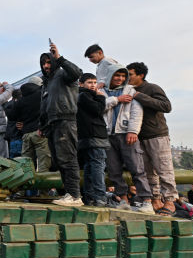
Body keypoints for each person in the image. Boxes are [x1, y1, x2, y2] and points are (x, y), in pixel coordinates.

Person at [100, 62, 153, 213]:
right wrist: (117, 100)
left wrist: (133, 131)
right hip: (108, 135)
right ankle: (123, 200)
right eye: (117, 75)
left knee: (137, 168)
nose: (120, 78)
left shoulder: (131, 90)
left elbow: (137, 113)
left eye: (123, 76)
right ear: (110, 76)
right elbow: (99, 107)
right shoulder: (101, 92)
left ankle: (147, 200)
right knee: (113, 169)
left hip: (126, 134)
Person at [126, 62, 176, 215]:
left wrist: (139, 96)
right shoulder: (127, 90)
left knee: (164, 169)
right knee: (148, 171)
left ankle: (170, 200)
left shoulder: (152, 88)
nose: (128, 77)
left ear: (140, 75)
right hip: (139, 137)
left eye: (131, 74)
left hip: (157, 135)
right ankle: (155, 199)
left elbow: (166, 106)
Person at [38, 42, 82, 207]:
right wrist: (42, 125)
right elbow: (44, 106)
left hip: (65, 120)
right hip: (52, 123)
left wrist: (60, 58)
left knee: (68, 158)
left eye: (49, 62)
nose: (46, 65)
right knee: (59, 160)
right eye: (43, 63)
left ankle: (75, 195)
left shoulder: (63, 75)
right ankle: (68, 194)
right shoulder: (47, 82)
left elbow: (76, 72)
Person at [76, 74, 108, 207]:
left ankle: (90, 197)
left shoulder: (81, 96)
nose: (93, 85)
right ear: (81, 84)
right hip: (95, 135)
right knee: (98, 166)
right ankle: (100, 197)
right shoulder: (84, 96)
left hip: (86, 136)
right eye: (89, 82)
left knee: (90, 167)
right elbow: (99, 110)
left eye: (95, 82)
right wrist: (101, 97)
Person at [11, 79, 51, 172]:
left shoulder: (20, 100)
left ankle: (30, 185)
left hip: (26, 134)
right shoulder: (41, 95)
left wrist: (22, 121)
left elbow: (12, 116)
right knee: (43, 163)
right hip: (40, 132)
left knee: (27, 165)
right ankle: (43, 186)